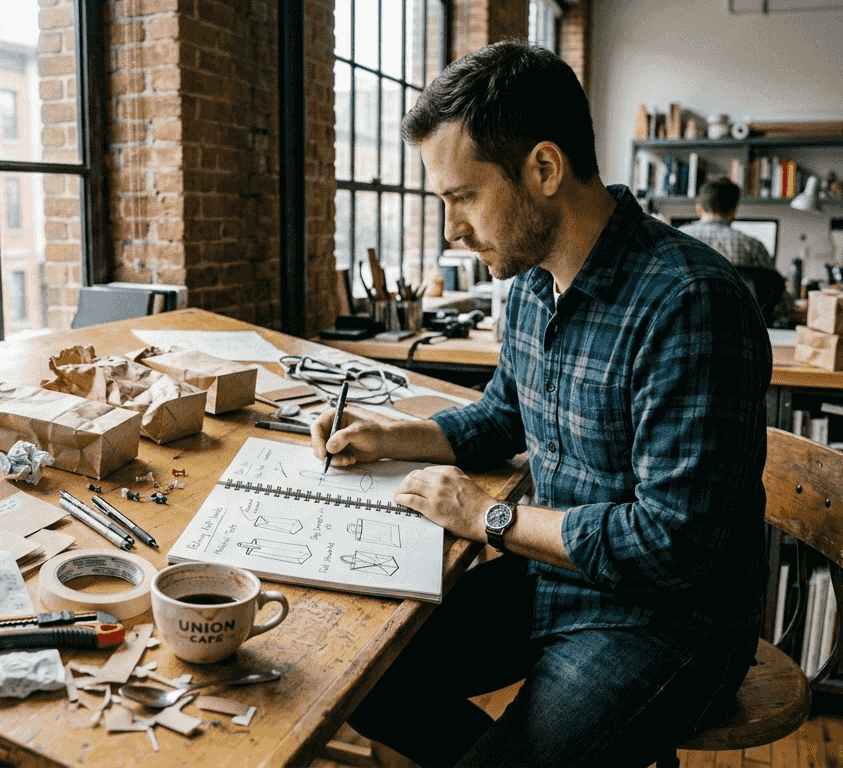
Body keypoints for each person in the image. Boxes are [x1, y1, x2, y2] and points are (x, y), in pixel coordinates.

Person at [312, 41, 772, 768]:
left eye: (462, 197)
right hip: (554, 575)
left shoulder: (691, 303)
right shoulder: (531, 284)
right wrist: (388, 436)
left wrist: (488, 518)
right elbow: (503, 416)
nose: (450, 230)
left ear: (545, 169)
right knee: (359, 679)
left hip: (667, 621)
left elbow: (671, 544)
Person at [677, 177, 776, 270]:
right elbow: (774, 282)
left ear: (698, 208)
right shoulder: (753, 246)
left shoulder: (675, 238)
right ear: (734, 211)